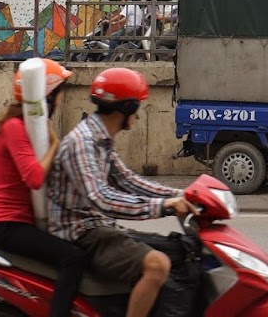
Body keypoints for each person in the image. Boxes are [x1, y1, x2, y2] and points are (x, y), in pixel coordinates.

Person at [49, 67, 192, 317]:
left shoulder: (100, 138)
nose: (138, 114)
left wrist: (179, 195)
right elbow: (101, 198)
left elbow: (128, 180)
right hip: (81, 233)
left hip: (98, 227)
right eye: (137, 106)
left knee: (180, 251)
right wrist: (164, 206)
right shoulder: (82, 143)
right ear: (126, 108)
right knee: (158, 265)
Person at [0, 59, 85, 317]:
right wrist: (54, 145)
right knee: (73, 258)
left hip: (22, 222)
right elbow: (34, 178)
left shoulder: (29, 128)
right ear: (49, 97)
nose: (62, 100)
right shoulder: (14, 127)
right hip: (8, 225)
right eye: (60, 94)